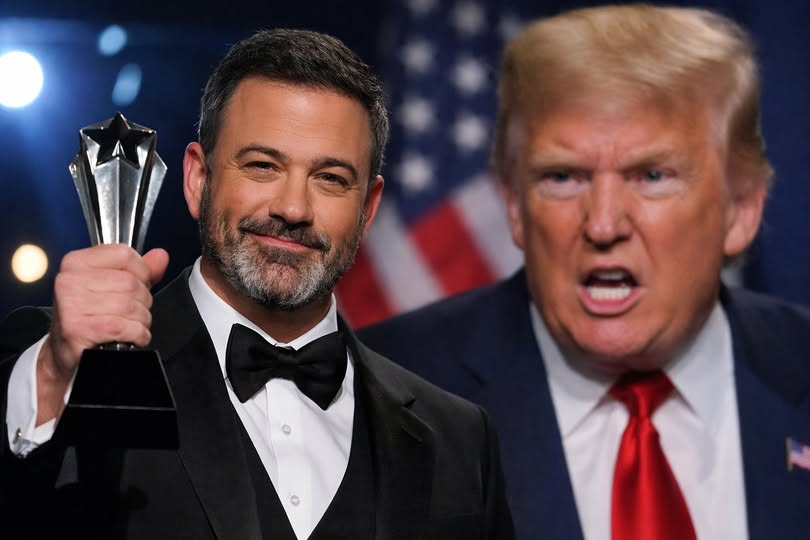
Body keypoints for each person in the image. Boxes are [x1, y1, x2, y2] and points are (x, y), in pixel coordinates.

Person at [0, 29, 514, 540]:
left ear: (368, 208)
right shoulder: (56, 368)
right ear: (198, 180)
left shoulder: (460, 440)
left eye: (331, 178)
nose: (293, 208)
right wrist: (53, 375)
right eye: (263, 166)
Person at [359, 5, 810, 540]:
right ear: (514, 205)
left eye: (652, 176)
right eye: (562, 177)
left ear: (741, 209)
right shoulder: (371, 397)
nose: (602, 224)